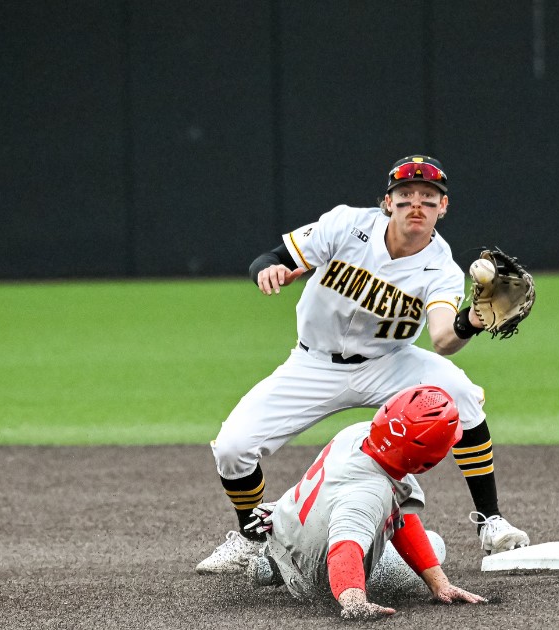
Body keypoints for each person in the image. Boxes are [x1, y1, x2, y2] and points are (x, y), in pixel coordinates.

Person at [197, 154, 529, 575]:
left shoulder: (441, 267)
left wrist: (473, 321)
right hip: (312, 363)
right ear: (387, 202)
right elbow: (272, 257)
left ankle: (491, 522)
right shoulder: (346, 224)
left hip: (387, 363)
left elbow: (444, 339)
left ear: (442, 208)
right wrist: (270, 270)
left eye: (428, 198)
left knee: (459, 391)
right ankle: (250, 537)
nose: (416, 205)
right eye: (406, 195)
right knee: (233, 447)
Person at [243, 385, 487, 620]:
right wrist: (354, 601)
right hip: (312, 576)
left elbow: (397, 512)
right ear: (428, 460)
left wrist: (439, 584)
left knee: (364, 515)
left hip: (283, 526)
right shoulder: (369, 493)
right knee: (436, 544)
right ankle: (281, 572)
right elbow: (345, 548)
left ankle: (275, 560)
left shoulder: (359, 433)